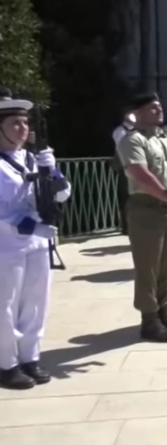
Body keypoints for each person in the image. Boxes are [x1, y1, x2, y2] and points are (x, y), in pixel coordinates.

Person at [0, 89, 72, 390]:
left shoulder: (32, 159)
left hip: (37, 244)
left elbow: (62, 193)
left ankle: (30, 356)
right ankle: (7, 363)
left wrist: (51, 171)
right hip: (7, 246)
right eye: (15, 122)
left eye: (25, 122)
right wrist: (30, 227)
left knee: (35, 304)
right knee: (6, 306)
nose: (22, 128)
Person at [116, 92, 167, 343]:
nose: (159, 111)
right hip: (147, 208)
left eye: (159, 107)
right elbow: (140, 174)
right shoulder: (132, 140)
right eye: (152, 108)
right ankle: (149, 320)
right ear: (137, 114)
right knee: (148, 268)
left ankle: (164, 313)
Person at [112, 111, 136, 235]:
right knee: (125, 196)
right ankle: (126, 226)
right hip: (125, 167)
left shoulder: (137, 130)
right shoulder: (120, 131)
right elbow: (123, 146)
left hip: (137, 166)